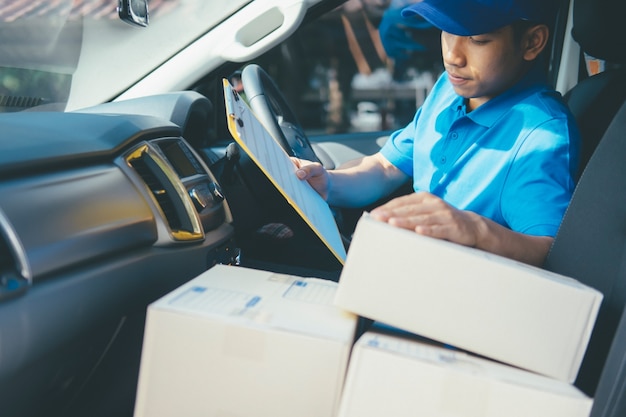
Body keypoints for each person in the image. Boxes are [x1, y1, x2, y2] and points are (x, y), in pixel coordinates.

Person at [293, 0, 580, 267]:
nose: (453, 56)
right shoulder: (450, 89)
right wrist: (327, 183)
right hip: (396, 263)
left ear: (532, 42)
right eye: (447, 30)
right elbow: (385, 166)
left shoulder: (540, 135)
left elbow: (549, 251)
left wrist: (475, 230)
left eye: (477, 39)